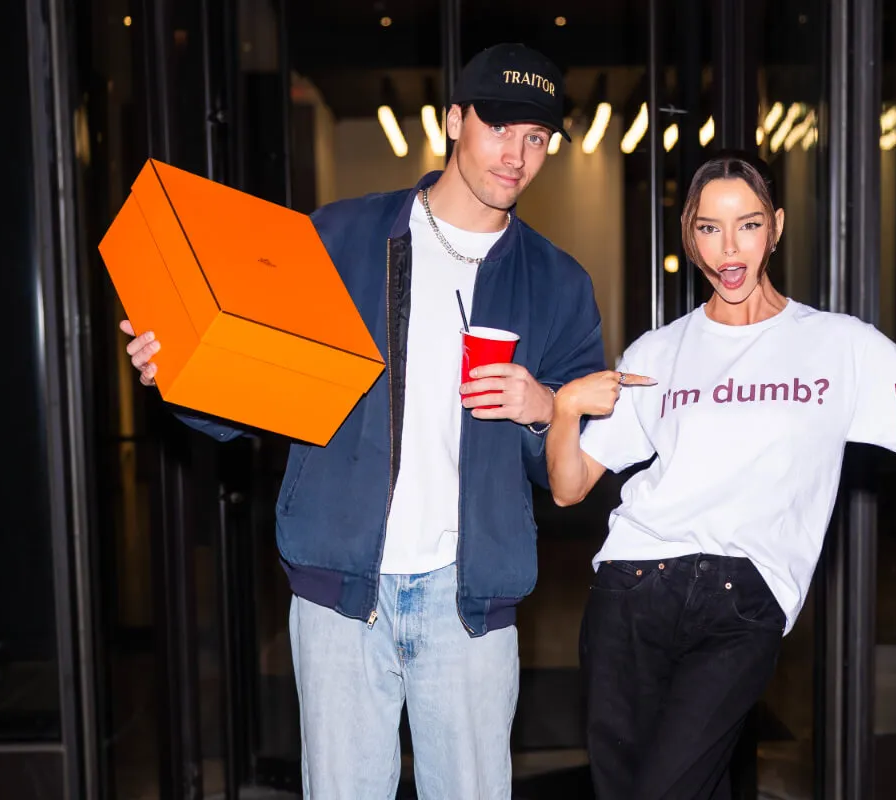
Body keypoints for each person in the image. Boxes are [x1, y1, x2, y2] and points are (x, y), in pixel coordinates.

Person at [122, 43, 605, 799]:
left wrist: (547, 409)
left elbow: (566, 469)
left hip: (469, 606)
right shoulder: (339, 238)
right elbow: (264, 387)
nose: (517, 154)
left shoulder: (559, 284)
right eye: (499, 127)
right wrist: (179, 373)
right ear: (454, 121)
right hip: (342, 597)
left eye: (538, 138)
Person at [545, 152, 896, 799]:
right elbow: (568, 486)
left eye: (746, 225)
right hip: (629, 591)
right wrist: (560, 411)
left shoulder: (838, 345)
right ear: (689, 235)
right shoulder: (658, 352)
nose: (729, 248)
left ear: (775, 226)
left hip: (741, 602)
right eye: (709, 228)